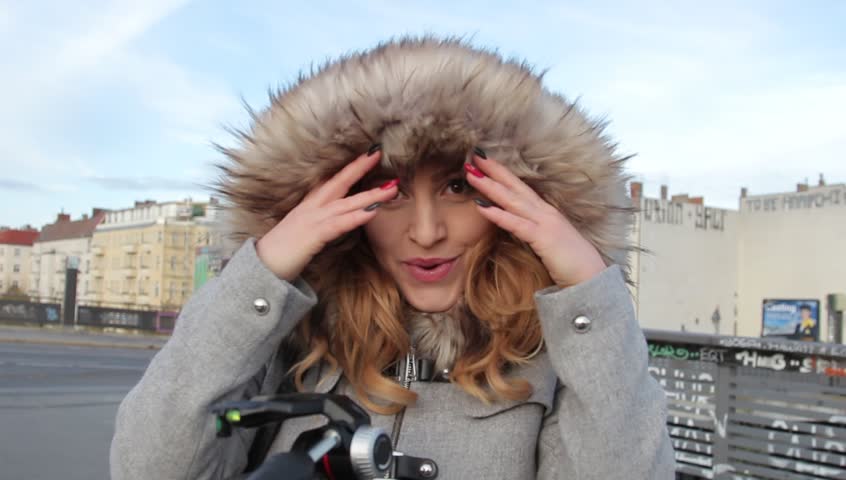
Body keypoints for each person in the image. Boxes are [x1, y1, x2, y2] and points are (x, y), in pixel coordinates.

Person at [110, 37, 675, 479]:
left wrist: (588, 295)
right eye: (391, 191)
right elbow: (152, 469)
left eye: (459, 187)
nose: (426, 232)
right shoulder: (284, 338)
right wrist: (262, 273)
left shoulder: (557, 359)